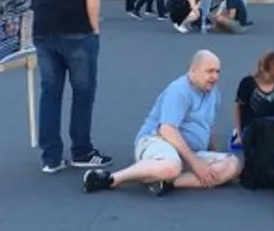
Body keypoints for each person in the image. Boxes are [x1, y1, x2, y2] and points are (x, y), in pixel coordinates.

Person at [27, 0, 112, 173]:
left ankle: (51, 157)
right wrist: (94, 27)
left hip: (43, 27)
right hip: (75, 28)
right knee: (83, 91)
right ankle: (81, 150)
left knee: (50, 93)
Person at [82, 50, 241, 196]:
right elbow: (167, 130)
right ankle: (112, 178)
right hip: (158, 142)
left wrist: (214, 154)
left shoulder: (214, 94)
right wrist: (196, 163)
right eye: (209, 71)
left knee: (232, 165)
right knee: (171, 167)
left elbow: (208, 127)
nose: (215, 77)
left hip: (189, 151)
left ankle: (164, 182)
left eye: (217, 71)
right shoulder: (179, 90)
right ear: (193, 71)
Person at [233, 51, 274, 142]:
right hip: (254, 130)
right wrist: (239, 134)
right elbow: (238, 109)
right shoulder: (247, 84)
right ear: (264, 70)